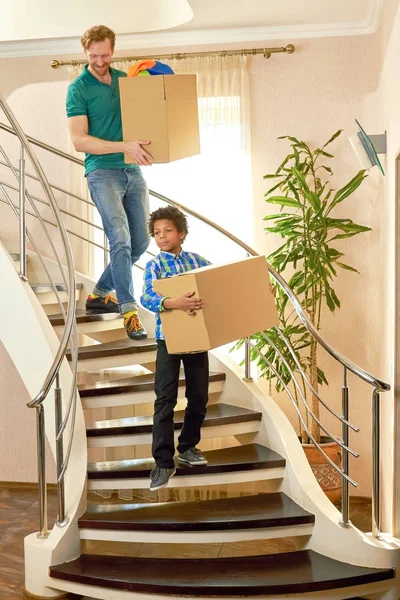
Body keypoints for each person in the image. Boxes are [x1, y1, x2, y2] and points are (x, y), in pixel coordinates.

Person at [66, 24, 152, 340]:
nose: (99, 60)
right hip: (102, 171)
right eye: (93, 55)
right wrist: (123, 147)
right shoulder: (78, 89)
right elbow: (79, 141)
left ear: (113, 51)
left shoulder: (124, 81)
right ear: (85, 52)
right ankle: (129, 311)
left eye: (104, 55)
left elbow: (145, 116)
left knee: (141, 242)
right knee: (120, 238)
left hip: (132, 171)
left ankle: (100, 292)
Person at [140, 206, 210, 491]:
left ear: (181, 233)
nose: (162, 237)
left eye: (168, 231)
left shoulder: (198, 260)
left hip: (196, 340)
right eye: (157, 233)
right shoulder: (154, 265)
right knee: (165, 400)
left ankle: (189, 446)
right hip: (167, 340)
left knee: (199, 396)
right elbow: (146, 297)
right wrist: (174, 302)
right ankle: (163, 463)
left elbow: (218, 284)